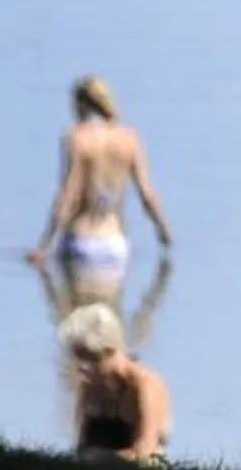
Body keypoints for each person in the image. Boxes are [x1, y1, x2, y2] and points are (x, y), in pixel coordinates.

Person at [25, 76, 174, 313]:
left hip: (80, 243)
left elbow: (68, 195)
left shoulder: (76, 137)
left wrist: (45, 245)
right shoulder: (130, 138)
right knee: (109, 327)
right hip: (115, 246)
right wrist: (163, 231)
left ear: (81, 104)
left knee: (76, 330)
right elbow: (147, 194)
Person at [61, 303, 171, 463]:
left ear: (109, 351)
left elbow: (145, 453)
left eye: (89, 359)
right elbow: (82, 447)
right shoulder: (91, 389)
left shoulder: (144, 386)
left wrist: (98, 459)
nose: (83, 368)